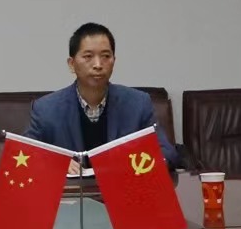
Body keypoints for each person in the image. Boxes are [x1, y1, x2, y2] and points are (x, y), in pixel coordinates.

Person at [24, 23, 178, 168]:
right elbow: (24, 154)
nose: (98, 65)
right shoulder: (46, 109)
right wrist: (55, 162)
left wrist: (133, 163)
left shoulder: (138, 104)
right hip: (72, 188)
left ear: (114, 61)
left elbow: (167, 153)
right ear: (72, 64)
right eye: (88, 56)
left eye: (105, 56)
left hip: (122, 185)